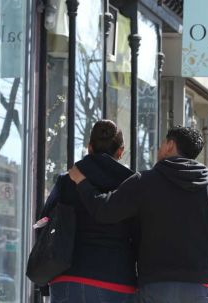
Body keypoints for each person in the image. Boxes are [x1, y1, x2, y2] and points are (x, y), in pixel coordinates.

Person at [68, 126, 208, 303]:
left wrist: (82, 182)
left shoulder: (144, 182)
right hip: (202, 288)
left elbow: (104, 210)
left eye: (162, 142)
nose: (159, 147)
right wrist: (206, 271)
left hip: (155, 287)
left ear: (170, 145)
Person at [40, 120, 137, 303]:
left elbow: (44, 223)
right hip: (116, 278)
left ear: (89, 147)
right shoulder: (132, 185)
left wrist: (44, 277)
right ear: (120, 151)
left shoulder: (67, 181)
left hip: (68, 277)